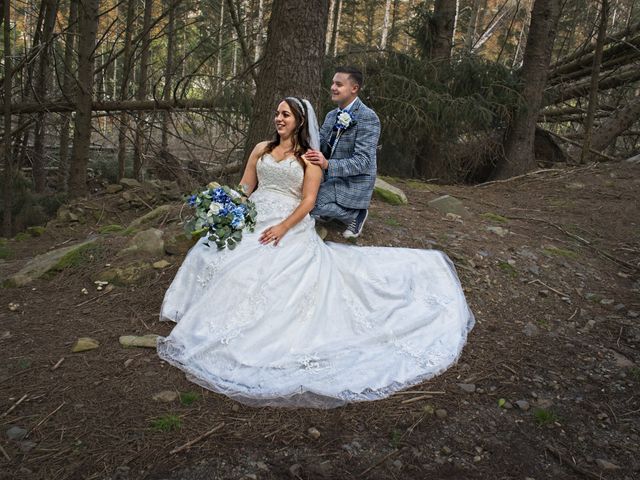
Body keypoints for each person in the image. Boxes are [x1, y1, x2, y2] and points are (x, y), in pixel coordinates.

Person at [157, 96, 474, 408]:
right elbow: (245, 187)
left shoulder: (310, 157)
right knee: (212, 251)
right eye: (277, 113)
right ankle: (200, 313)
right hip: (253, 213)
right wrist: (225, 208)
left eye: (286, 115)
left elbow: (308, 201)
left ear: (299, 121)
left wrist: (282, 227)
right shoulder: (260, 149)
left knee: (259, 268)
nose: (279, 119)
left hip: (288, 220)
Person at [306, 66, 379, 239]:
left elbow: (363, 162)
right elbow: (321, 145)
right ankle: (332, 211)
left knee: (311, 204)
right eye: (332, 83)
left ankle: (356, 214)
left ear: (354, 88)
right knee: (302, 193)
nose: (332, 87)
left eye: (338, 84)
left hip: (354, 182)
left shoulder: (368, 117)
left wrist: (327, 164)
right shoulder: (332, 115)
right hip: (331, 177)